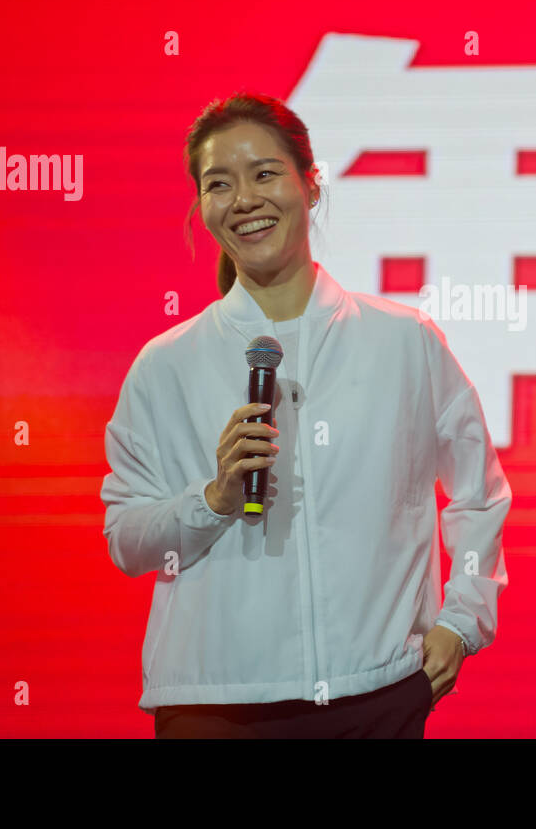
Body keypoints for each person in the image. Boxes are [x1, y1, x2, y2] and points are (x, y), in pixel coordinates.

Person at [100, 91, 511, 738]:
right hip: (214, 707)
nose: (244, 200)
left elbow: (477, 492)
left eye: (264, 174)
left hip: (372, 694)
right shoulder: (166, 364)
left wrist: (464, 617)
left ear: (311, 185)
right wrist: (212, 497)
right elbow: (126, 537)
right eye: (219, 184)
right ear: (201, 207)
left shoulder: (402, 341)